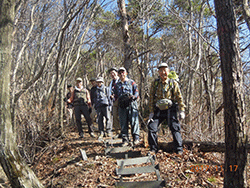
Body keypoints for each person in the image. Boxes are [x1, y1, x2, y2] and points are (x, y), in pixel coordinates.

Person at [148, 63, 185, 154]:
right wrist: (151, 112)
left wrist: (181, 110)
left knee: (175, 128)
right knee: (152, 127)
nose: (163, 72)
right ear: (158, 72)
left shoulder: (173, 83)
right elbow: (151, 98)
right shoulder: (155, 83)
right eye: (161, 70)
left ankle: (179, 149)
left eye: (165, 70)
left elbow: (179, 97)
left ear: (168, 71)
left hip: (170, 109)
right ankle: (153, 149)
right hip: (158, 110)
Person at [113, 67, 140, 146]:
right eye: (120, 73)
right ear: (118, 74)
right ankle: (125, 140)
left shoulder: (131, 82)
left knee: (134, 121)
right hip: (121, 106)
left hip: (131, 104)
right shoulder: (117, 85)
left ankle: (136, 138)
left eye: (123, 72)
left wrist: (134, 97)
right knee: (123, 122)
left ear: (126, 73)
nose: (122, 74)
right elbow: (114, 94)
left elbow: (136, 92)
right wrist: (114, 98)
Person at [108, 67, 121, 137]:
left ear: (116, 73)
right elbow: (109, 92)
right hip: (114, 102)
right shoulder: (111, 83)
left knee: (122, 117)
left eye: (113, 73)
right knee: (115, 116)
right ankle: (118, 132)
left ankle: (124, 132)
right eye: (111, 74)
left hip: (121, 101)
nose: (112, 74)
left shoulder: (120, 80)